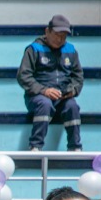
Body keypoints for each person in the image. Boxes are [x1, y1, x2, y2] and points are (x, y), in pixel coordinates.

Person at [17, 14, 83, 153]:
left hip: (62, 98)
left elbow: (78, 76)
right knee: (44, 104)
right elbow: (23, 76)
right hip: (37, 97)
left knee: (72, 106)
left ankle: (75, 147)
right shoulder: (34, 49)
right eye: (58, 35)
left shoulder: (71, 50)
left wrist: (72, 90)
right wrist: (44, 90)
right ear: (47, 31)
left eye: (64, 36)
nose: (60, 39)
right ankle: (36, 146)